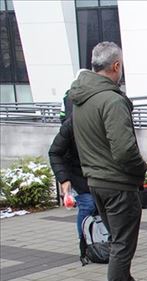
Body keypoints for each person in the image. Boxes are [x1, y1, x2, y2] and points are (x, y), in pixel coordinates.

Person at [68, 41, 147, 281]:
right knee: (122, 242)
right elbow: (124, 149)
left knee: (119, 238)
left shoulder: (81, 96)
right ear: (116, 66)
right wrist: (141, 168)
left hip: (96, 180)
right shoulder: (111, 100)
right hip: (117, 182)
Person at [48, 95, 97, 259]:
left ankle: (105, 240)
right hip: (77, 173)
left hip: (98, 172)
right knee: (88, 204)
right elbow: (55, 153)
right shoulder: (70, 125)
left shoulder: (101, 120)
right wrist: (64, 180)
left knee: (104, 206)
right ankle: (84, 242)